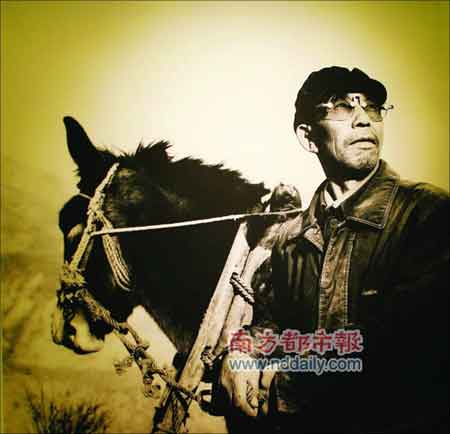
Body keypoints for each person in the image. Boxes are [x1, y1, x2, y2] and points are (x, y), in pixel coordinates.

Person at [219, 66, 449, 433]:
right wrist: (241, 352)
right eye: (342, 107)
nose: (363, 119)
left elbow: (407, 341)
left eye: (372, 107)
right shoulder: (290, 239)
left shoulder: (427, 214)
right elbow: (272, 324)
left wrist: (288, 383)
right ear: (308, 136)